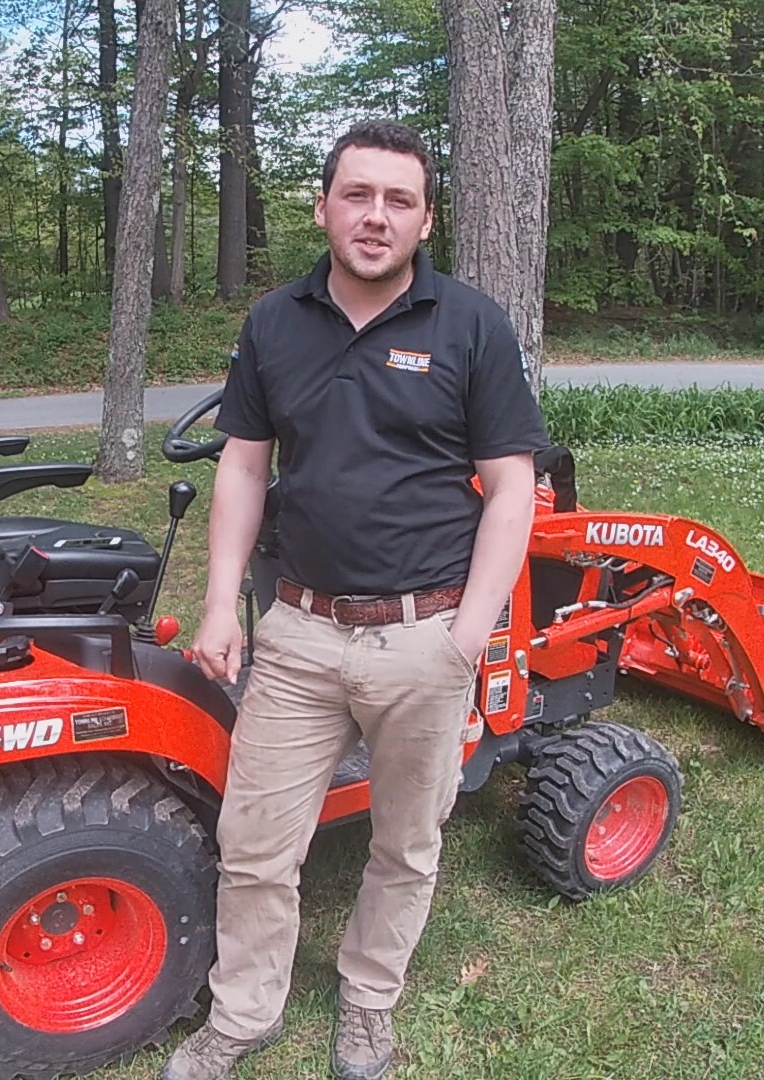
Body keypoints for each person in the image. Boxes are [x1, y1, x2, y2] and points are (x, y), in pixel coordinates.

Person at [161, 120, 549, 1080]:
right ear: (326, 205)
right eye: (359, 195)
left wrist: (469, 633)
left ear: (425, 219)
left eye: (400, 201)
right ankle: (244, 1014)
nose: (376, 217)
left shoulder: (470, 325)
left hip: (425, 640)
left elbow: (512, 489)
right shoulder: (273, 323)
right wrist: (219, 605)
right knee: (254, 844)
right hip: (297, 631)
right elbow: (245, 470)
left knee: (406, 845)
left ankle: (369, 1003)